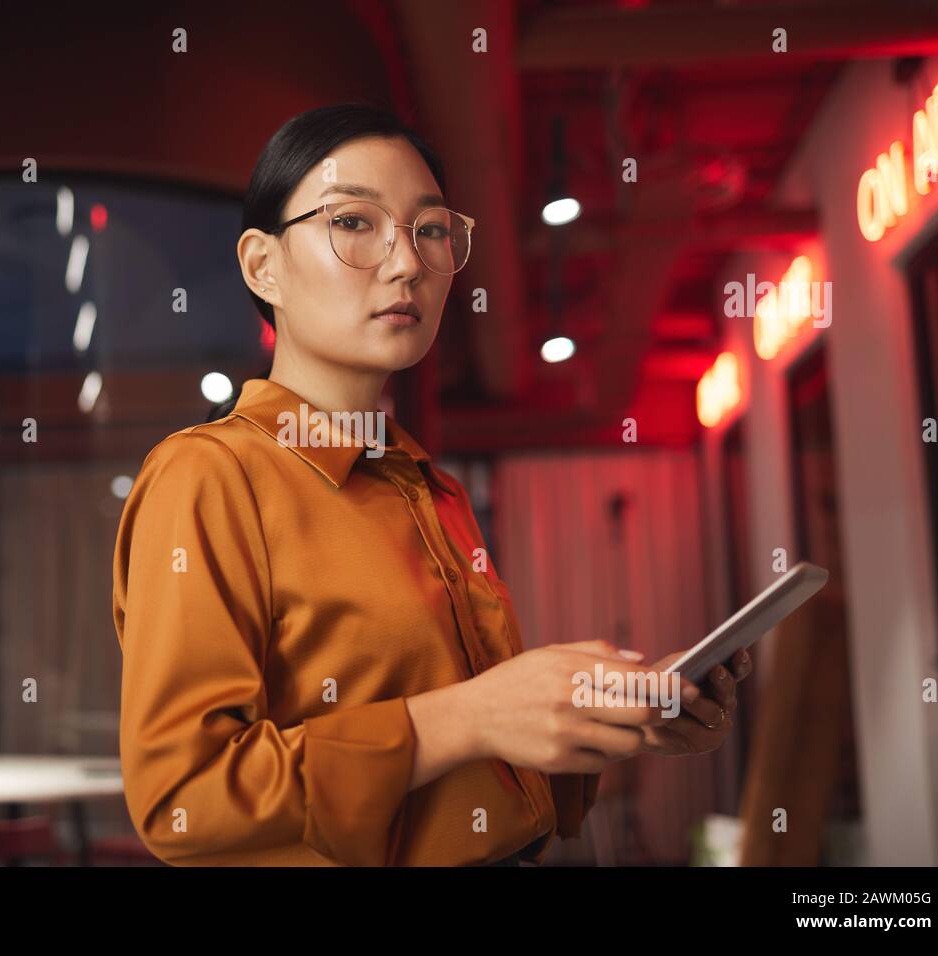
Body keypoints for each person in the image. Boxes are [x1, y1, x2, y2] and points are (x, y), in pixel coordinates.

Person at [112, 102, 751, 866]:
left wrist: (610, 720)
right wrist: (467, 718)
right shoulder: (209, 476)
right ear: (262, 266)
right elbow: (185, 799)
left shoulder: (424, 485)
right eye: (354, 222)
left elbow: (459, 772)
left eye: (432, 230)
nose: (408, 261)